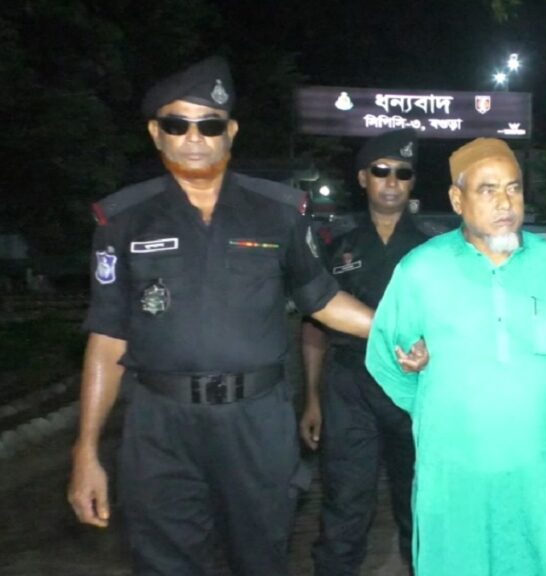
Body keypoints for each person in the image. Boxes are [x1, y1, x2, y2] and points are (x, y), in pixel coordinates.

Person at [66, 56, 424, 576]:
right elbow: (106, 338)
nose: (194, 138)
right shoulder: (122, 221)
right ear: (156, 133)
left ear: (230, 133)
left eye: (209, 125)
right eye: (177, 124)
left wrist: (399, 333)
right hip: (160, 427)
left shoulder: (277, 212)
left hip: (255, 422)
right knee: (164, 564)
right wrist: (86, 450)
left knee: (261, 558)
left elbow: (322, 300)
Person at [365, 138, 546, 576]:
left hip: (539, 465)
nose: (505, 202)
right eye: (488, 190)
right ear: (457, 199)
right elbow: (385, 355)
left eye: (513, 188)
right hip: (455, 469)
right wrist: (433, 400)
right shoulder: (421, 270)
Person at [302, 128, 443, 576]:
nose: (392, 181)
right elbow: (315, 325)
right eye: (381, 171)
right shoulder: (336, 244)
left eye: (403, 173)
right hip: (349, 385)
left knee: (420, 502)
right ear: (364, 178)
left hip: (412, 386)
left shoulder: (434, 248)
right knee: (344, 503)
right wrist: (312, 397)